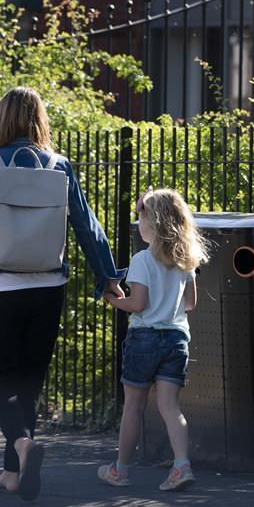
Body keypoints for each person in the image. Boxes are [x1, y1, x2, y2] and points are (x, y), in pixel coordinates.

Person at [0, 86, 125, 501]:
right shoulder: (59, 166)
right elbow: (88, 227)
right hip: (49, 284)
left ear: (0, 119)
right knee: (29, 381)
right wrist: (107, 277)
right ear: (39, 121)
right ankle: (13, 474)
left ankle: (22, 444)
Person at [99, 187, 208, 491]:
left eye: (140, 216)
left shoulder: (142, 261)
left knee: (133, 406)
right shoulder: (185, 262)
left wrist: (111, 298)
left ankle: (119, 470)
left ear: (154, 222)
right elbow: (189, 304)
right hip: (176, 339)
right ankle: (181, 466)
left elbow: (137, 305)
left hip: (144, 338)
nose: (138, 223)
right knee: (170, 407)